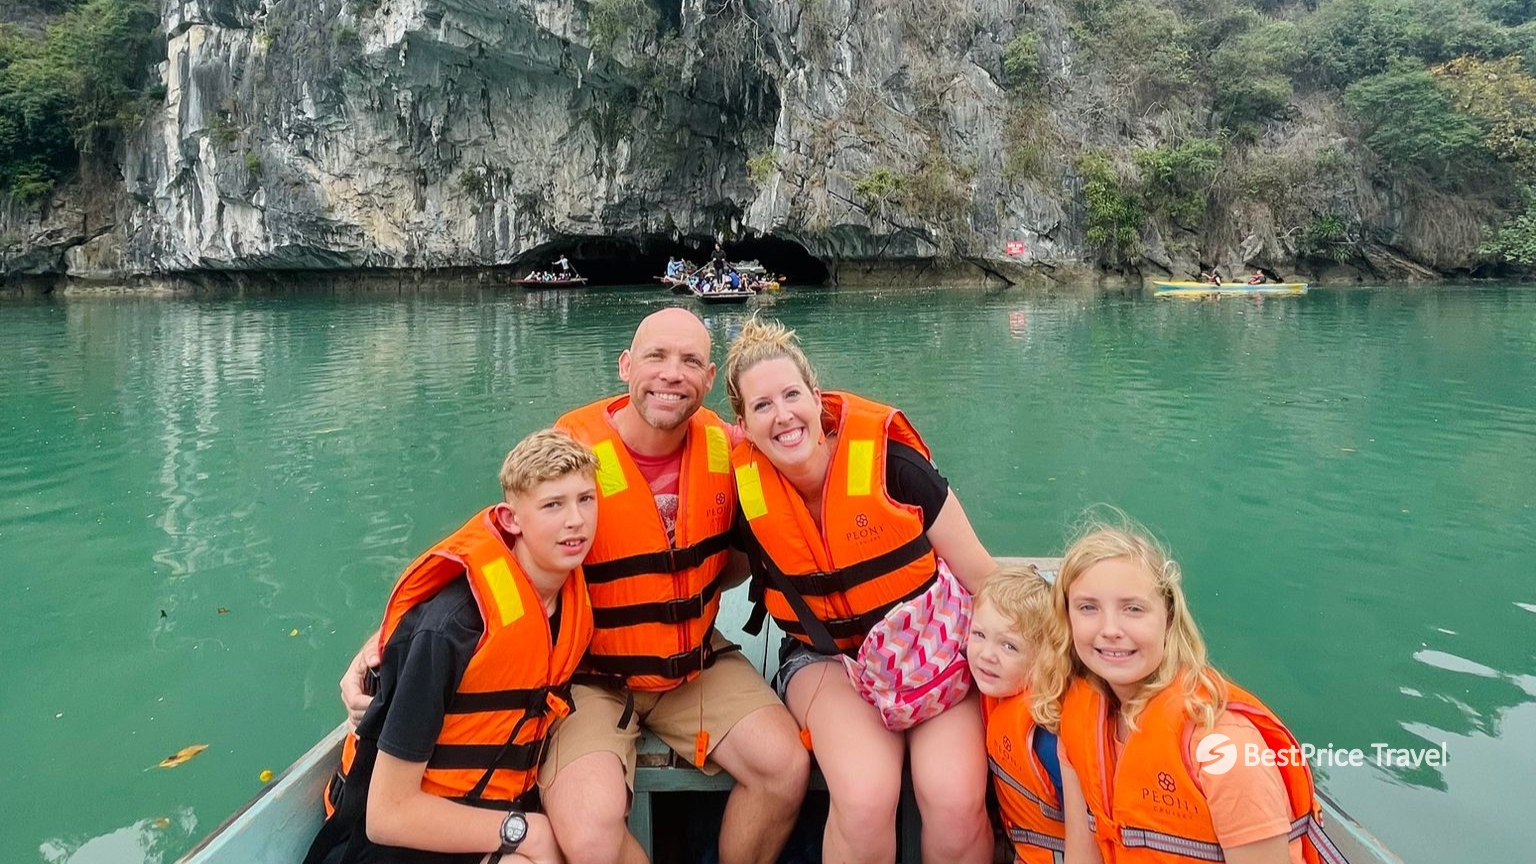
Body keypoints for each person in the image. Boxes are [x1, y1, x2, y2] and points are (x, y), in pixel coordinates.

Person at [342, 309, 808, 864]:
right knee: (588, 833)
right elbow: (497, 548)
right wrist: (381, 645)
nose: (671, 374)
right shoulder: (573, 452)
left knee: (785, 767)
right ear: (626, 365)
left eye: (689, 361)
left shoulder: (730, 450)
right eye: (656, 357)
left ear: (708, 381)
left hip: (695, 666)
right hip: (588, 680)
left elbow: (802, 497)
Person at [722, 317, 996, 864]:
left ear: (816, 396)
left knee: (954, 799)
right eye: (762, 406)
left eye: (791, 395)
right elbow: (708, 575)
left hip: (929, 652)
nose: (783, 416)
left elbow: (984, 578)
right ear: (744, 424)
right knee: (866, 797)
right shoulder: (745, 500)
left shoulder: (893, 468)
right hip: (826, 661)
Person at [305, 428, 599, 864]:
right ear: (511, 518)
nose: (575, 520)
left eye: (585, 499)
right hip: (396, 848)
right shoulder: (451, 631)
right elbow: (386, 815)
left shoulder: (570, 594)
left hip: (485, 817)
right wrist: (523, 829)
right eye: (553, 505)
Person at [1033, 518, 1348, 864]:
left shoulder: (1223, 747)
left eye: (1133, 609)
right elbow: (1082, 852)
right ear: (1068, 619)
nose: (1110, 629)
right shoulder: (1082, 717)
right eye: (1088, 607)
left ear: (1168, 619)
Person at [967, 565, 1064, 864]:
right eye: (979, 634)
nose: (986, 654)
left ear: (1045, 657)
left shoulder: (1047, 735)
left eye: (1009, 646)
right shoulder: (996, 695)